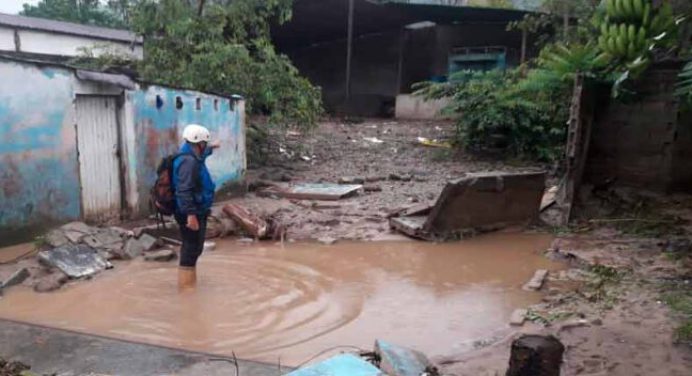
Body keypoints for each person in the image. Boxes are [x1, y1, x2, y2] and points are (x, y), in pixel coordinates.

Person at [173, 124, 219, 290]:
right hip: (190, 212)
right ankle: (186, 290)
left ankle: (188, 284)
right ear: (199, 144)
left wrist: (212, 147)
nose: (205, 147)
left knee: (195, 247)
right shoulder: (188, 162)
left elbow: (203, 155)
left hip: (196, 210)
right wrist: (190, 215)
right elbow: (183, 190)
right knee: (191, 249)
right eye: (204, 144)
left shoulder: (192, 155)